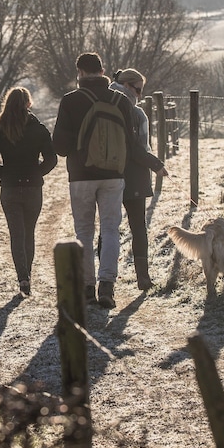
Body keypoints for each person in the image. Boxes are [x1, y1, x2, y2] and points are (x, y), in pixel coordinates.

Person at [52, 53, 167, 309]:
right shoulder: (120, 100)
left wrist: (79, 145)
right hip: (114, 176)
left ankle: (87, 287)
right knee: (111, 229)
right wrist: (154, 163)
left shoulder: (70, 101)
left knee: (84, 231)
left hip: (81, 176)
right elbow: (132, 144)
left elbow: (59, 146)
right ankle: (107, 286)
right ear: (103, 71)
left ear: (80, 72)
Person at [0, 87, 58, 296]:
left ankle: (22, 277)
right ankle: (28, 275)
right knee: (29, 233)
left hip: (10, 188)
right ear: (28, 103)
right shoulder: (39, 129)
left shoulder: (0, 130)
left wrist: (4, 174)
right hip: (33, 187)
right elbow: (52, 159)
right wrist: (37, 172)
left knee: (16, 234)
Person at [110, 68, 155, 290]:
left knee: (108, 226)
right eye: (138, 90)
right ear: (127, 86)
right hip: (134, 175)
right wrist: (156, 164)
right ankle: (143, 277)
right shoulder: (136, 113)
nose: (140, 95)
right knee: (138, 226)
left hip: (107, 174)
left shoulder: (103, 103)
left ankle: (106, 279)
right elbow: (141, 147)